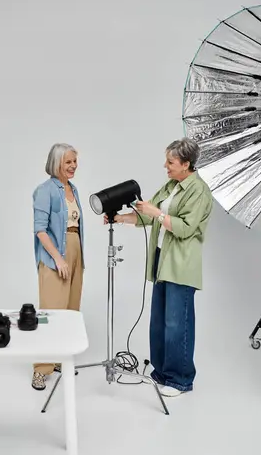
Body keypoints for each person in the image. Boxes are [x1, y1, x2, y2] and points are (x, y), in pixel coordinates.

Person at [105, 138, 212, 397]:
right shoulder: (172, 185)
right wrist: (119, 217)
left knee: (178, 324)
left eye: (171, 162)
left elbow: (185, 228)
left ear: (186, 164)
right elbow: (147, 214)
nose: (166, 166)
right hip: (162, 260)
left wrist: (156, 213)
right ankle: (161, 373)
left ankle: (180, 380)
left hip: (181, 264)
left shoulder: (198, 190)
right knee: (159, 323)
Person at [32, 143, 84, 390]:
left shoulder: (73, 189)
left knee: (70, 311)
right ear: (56, 164)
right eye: (68, 162)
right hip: (55, 256)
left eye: (75, 161)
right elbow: (41, 230)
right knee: (51, 314)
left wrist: (76, 260)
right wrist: (59, 259)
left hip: (76, 253)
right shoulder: (45, 190)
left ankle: (59, 360)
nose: (73, 166)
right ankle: (41, 369)